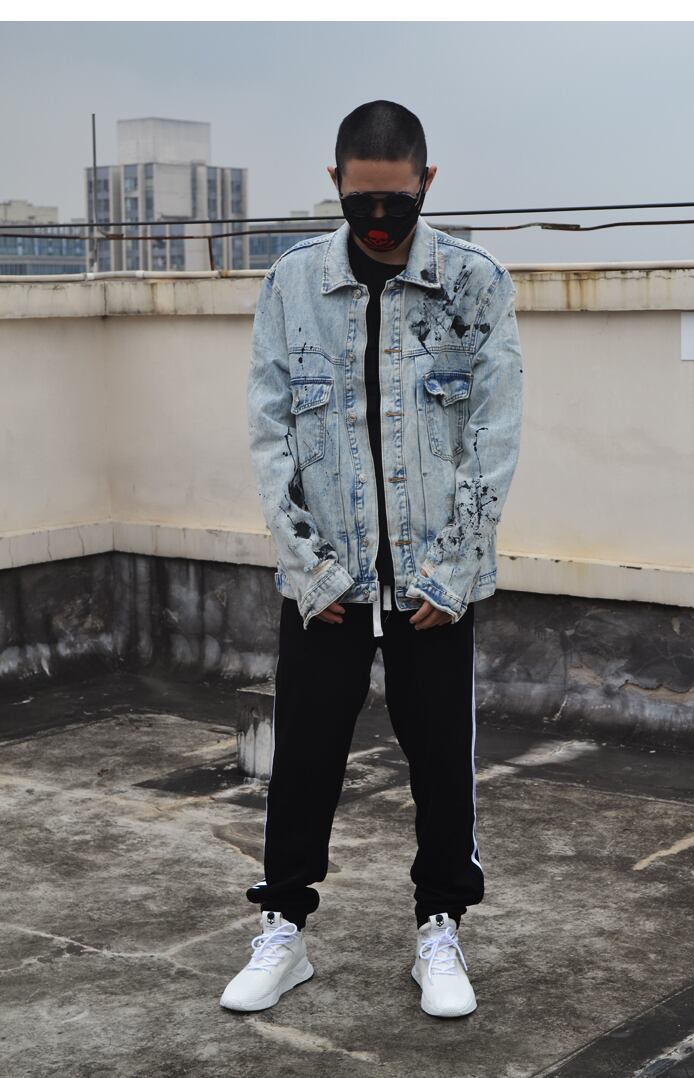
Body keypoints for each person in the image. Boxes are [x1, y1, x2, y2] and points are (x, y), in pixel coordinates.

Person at [221, 100, 523, 1019]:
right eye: (362, 202)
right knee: (304, 761)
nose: (380, 218)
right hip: (327, 582)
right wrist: (308, 567)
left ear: (427, 183)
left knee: (442, 764)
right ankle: (284, 928)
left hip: (433, 584)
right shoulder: (293, 286)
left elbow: (493, 438)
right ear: (336, 186)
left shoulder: (474, 285)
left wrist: (453, 572)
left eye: (397, 199)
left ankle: (440, 927)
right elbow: (270, 435)